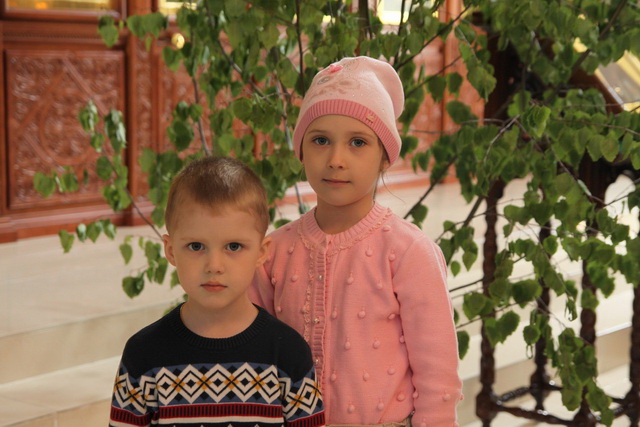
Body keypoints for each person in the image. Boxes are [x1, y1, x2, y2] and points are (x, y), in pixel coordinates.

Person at [250, 57, 462, 426]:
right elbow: (253, 354)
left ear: (384, 158)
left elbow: (438, 377)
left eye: (358, 142)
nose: (336, 159)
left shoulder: (409, 253)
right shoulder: (274, 252)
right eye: (320, 140)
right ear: (301, 150)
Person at [109, 156, 325, 426]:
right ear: (171, 250)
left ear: (261, 253)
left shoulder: (288, 353)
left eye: (233, 247)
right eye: (196, 246)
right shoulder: (143, 355)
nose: (214, 266)